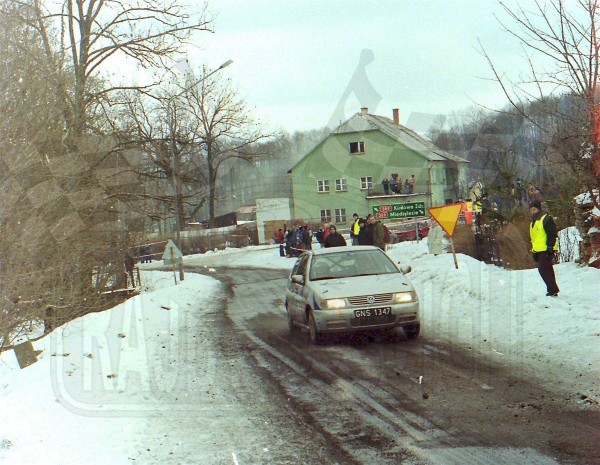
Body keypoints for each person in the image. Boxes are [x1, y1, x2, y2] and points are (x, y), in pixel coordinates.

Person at [529, 200, 560, 297]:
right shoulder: (533, 222)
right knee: (548, 268)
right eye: (531, 210)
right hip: (539, 249)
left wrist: (550, 246)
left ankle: (553, 289)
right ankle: (552, 290)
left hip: (547, 248)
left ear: (538, 209)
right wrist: (534, 251)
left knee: (542, 269)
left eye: (534, 209)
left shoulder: (546, 218)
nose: (532, 211)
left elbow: (552, 233)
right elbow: (535, 238)